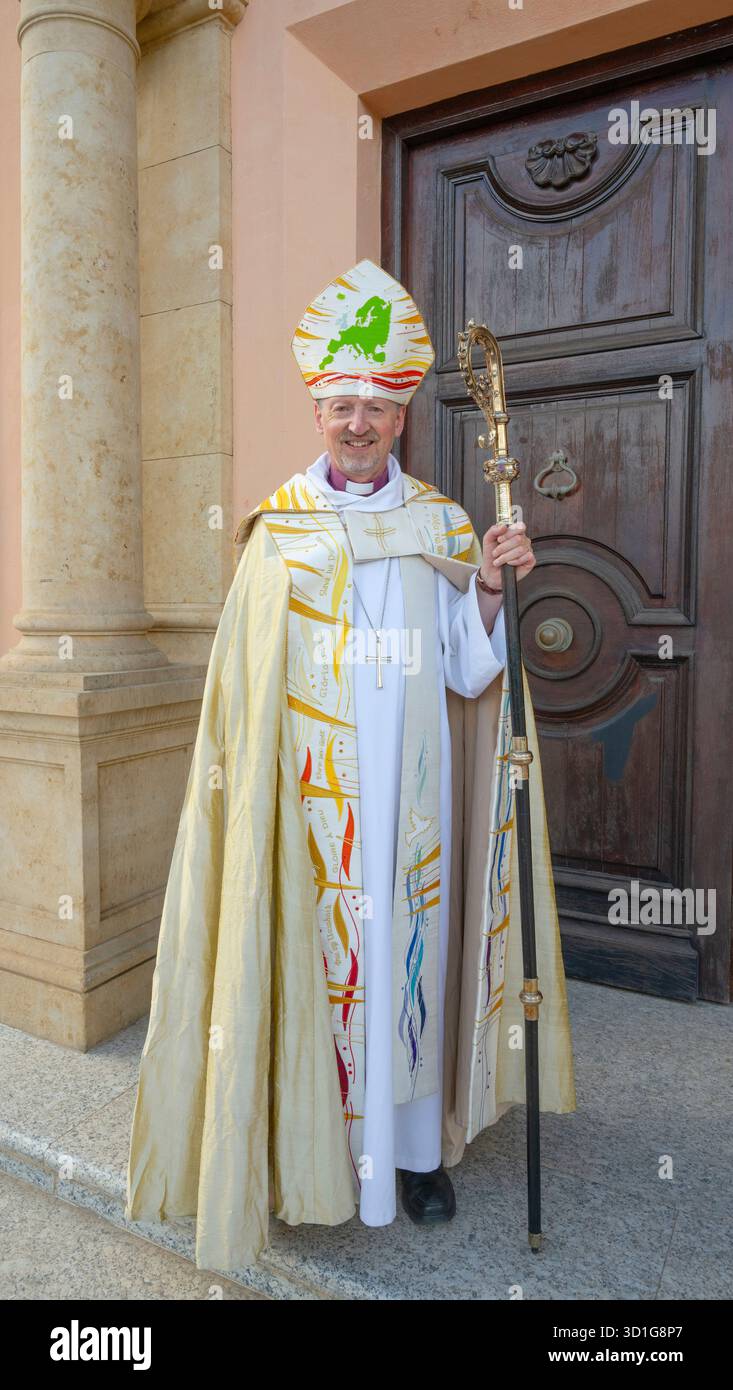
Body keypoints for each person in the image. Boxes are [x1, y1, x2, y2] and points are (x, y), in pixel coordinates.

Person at [126, 259, 576, 1274]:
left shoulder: (443, 525)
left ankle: (415, 1160)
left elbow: (470, 670)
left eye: (375, 409)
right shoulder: (275, 536)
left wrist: (493, 593)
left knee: (407, 968)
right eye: (340, 407)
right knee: (315, 967)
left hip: (417, 804)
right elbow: (241, 688)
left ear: (402, 416)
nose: (357, 425)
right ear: (317, 412)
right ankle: (305, 1157)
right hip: (312, 806)